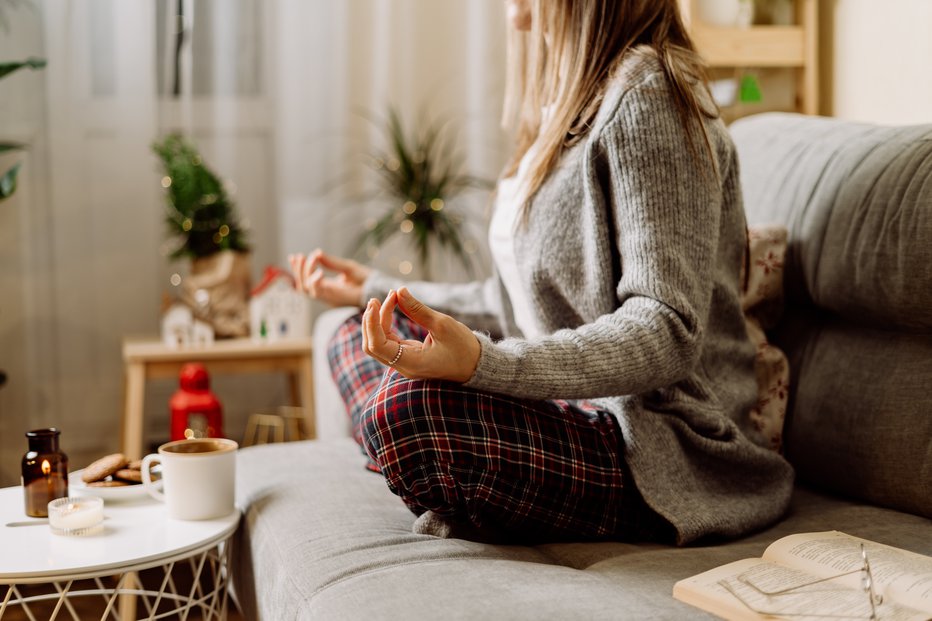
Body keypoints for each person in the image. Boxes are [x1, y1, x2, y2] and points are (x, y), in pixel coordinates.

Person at [290, 0, 793, 546]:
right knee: (351, 334)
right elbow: (512, 304)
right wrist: (374, 290)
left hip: (658, 443)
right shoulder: (565, 105)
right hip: (572, 407)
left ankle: (421, 463)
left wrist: (487, 363)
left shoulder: (651, 94)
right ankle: (433, 469)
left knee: (407, 407)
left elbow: (666, 325)